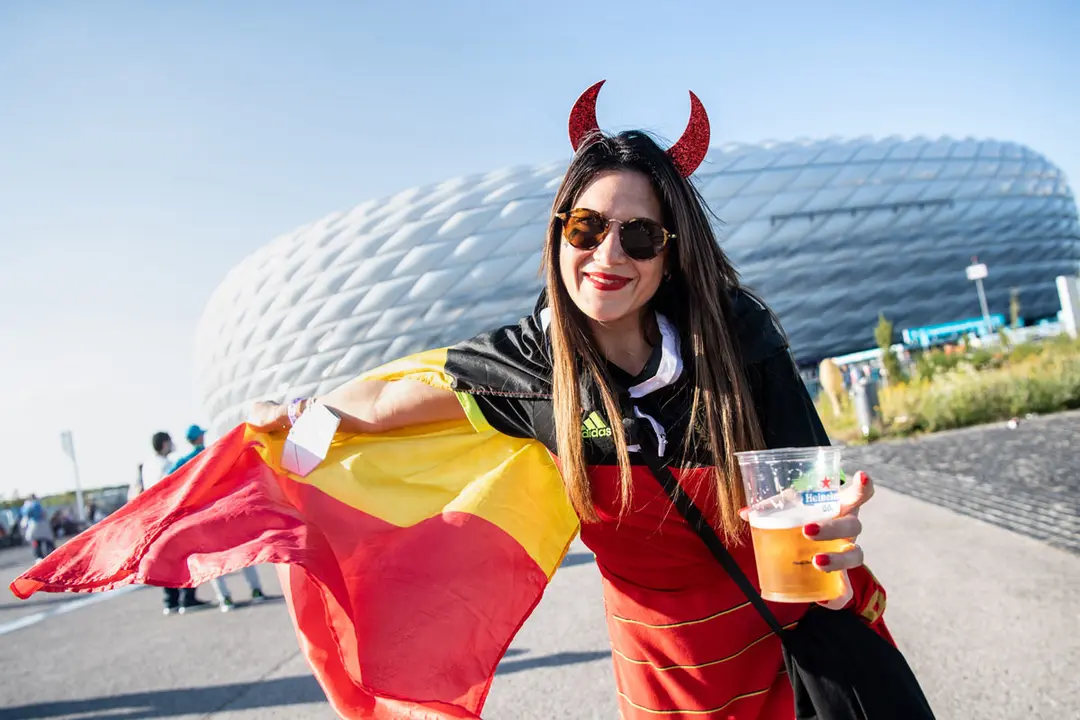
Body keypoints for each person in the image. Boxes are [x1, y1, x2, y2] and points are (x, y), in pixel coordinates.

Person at [244, 94, 895, 717]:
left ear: (670, 257)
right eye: (587, 227)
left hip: (797, 650)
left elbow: (808, 474)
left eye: (640, 237)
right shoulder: (531, 362)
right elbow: (390, 397)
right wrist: (300, 416)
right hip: (669, 677)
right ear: (558, 233)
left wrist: (830, 533)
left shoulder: (734, 335)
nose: (608, 255)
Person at [171, 424, 268, 612]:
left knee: (211, 558)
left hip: (201, 517)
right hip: (223, 512)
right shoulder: (212, 453)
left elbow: (170, 480)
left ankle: (225, 599)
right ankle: (256, 591)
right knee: (244, 550)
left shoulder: (183, 462)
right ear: (199, 438)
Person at [132, 430, 210, 615]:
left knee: (165, 558)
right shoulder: (167, 464)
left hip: (153, 516)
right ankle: (187, 598)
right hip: (170, 513)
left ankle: (171, 600)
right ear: (165, 443)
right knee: (184, 555)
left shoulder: (147, 465)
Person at [19, 494, 55, 560]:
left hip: (34, 525)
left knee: (36, 541)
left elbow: (24, 515)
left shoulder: (27, 506)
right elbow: (45, 514)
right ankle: (52, 555)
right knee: (48, 541)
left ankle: (39, 557)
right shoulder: (38, 504)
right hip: (42, 525)